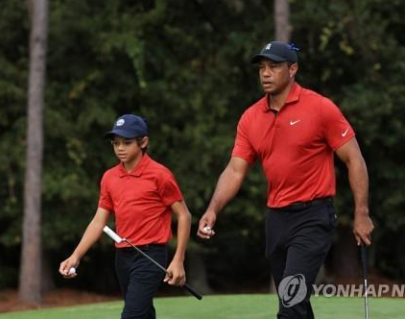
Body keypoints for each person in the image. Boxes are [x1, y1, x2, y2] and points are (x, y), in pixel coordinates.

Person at [197, 41, 374, 319]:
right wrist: (212, 209)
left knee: (290, 304)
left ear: (293, 69)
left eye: (274, 67)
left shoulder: (320, 108)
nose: (265, 73)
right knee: (296, 303)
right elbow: (234, 170)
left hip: (313, 216)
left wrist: (361, 212)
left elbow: (354, 159)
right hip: (277, 219)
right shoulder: (251, 118)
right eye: (262, 68)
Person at [59, 114, 192, 319]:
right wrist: (76, 256)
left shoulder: (160, 175)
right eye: (116, 143)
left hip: (151, 256)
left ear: (143, 142)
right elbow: (98, 221)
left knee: (131, 315)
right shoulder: (109, 177)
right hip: (123, 258)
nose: (120, 148)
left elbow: (184, 216)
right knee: (142, 313)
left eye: (127, 143)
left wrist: (178, 260)